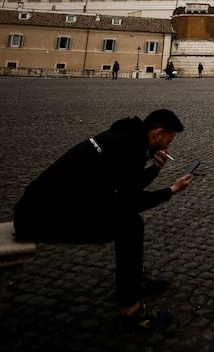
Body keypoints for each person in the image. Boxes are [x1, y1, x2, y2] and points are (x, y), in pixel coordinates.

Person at [13, 108, 194, 332]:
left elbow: (127, 186)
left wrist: (155, 169)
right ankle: (132, 312)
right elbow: (130, 201)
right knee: (130, 225)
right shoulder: (131, 149)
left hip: (40, 209)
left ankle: (135, 279)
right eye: (169, 140)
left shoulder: (126, 137)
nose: (168, 147)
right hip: (40, 219)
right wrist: (171, 190)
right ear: (157, 132)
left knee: (128, 221)